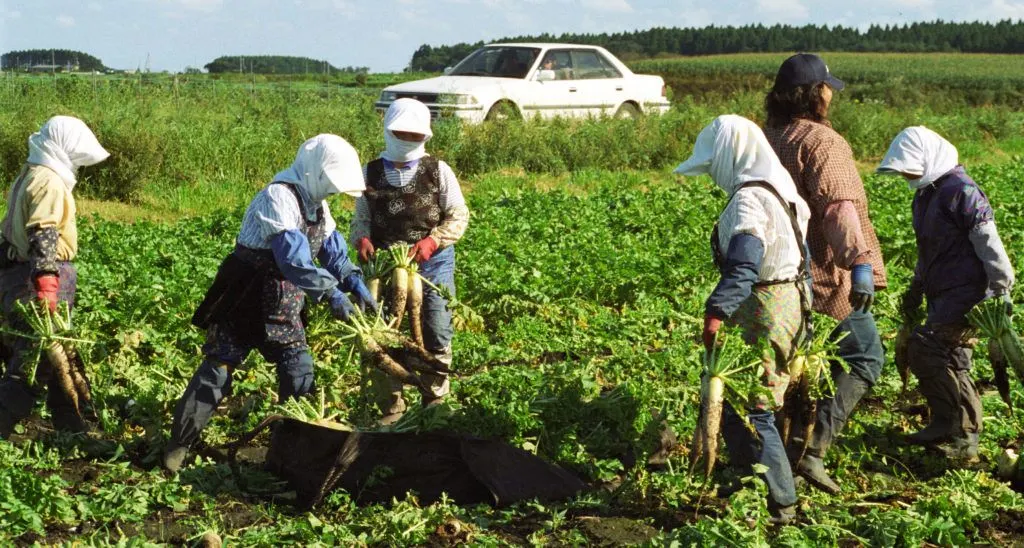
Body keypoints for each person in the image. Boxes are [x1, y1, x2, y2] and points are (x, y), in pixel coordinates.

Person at [163, 134, 376, 472]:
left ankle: (289, 453)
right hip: (246, 292)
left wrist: (353, 281)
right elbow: (293, 259)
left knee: (298, 368)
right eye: (331, 183)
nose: (333, 192)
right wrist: (332, 292)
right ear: (314, 171)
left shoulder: (317, 205)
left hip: (284, 298)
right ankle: (178, 445)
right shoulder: (278, 197)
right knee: (218, 369)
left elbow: (331, 249)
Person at [677, 114, 812, 525]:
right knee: (753, 398)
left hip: (766, 308)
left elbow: (745, 265)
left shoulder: (749, 199)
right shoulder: (780, 188)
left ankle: (783, 505)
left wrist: (716, 311)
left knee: (758, 409)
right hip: (793, 304)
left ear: (730, 156)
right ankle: (745, 474)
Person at [763, 53, 887, 494]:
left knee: (799, 367)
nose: (832, 93)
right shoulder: (822, 142)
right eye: (827, 86)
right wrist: (860, 265)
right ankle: (811, 454)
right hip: (824, 275)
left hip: (778, 277)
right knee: (865, 357)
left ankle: (785, 448)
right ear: (815, 94)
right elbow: (838, 209)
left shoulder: (771, 136)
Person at [877, 126, 1014, 460]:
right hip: (942, 290)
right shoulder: (926, 195)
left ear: (927, 157)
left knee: (927, 348)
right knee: (953, 359)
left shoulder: (961, 191)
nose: (906, 173)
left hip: (967, 292)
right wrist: (915, 287)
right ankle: (954, 428)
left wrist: (1001, 289)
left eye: (909, 165)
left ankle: (959, 431)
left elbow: (988, 242)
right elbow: (928, 250)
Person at [351, 98, 469, 425]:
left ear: (425, 136)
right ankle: (391, 406)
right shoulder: (370, 172)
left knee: (435, 328)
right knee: (382, 334)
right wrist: (361, 239)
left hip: (431, 265)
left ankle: (435, 399)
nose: (407, 139)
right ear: (388, 130)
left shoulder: (438, 170)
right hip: (386, 265)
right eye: (401, 133)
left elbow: (458, 216)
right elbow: (360, 219)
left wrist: (433, 241)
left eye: (414, 135)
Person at [0, 115, 110, 438]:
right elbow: (44, 234)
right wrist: (47, 288)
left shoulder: (31, 172)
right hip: (37, 280)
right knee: (34, 363)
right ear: (62, 148)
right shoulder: (48, 181)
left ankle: (70, 420)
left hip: (23, 275)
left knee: (59, 353)